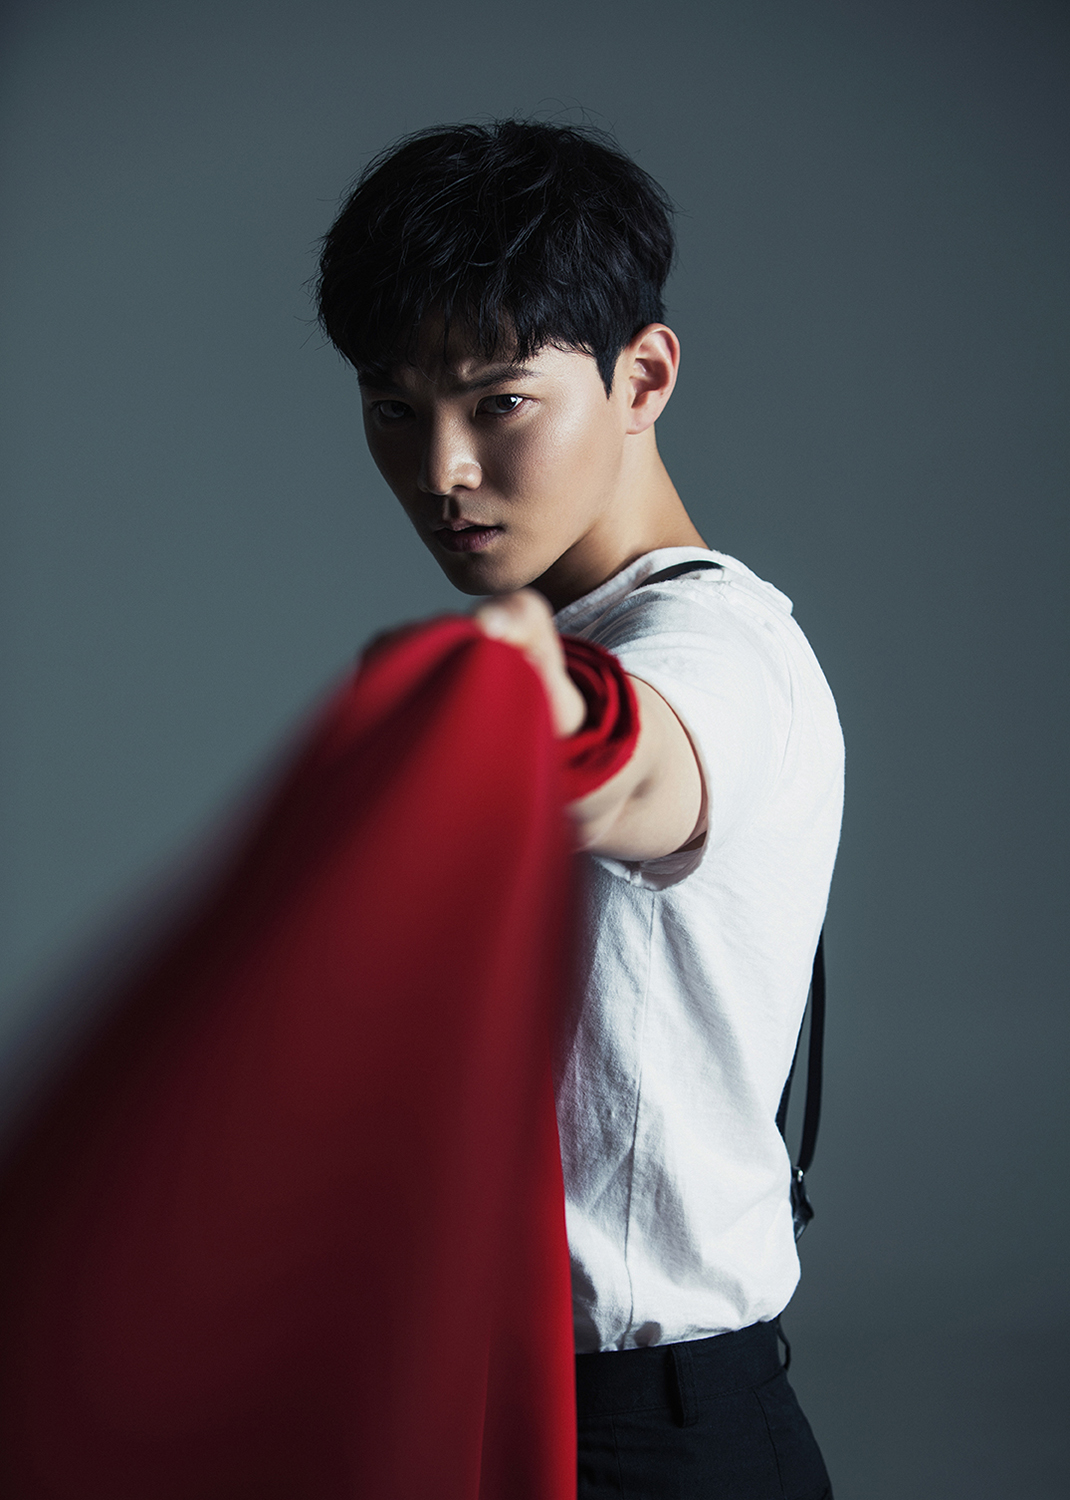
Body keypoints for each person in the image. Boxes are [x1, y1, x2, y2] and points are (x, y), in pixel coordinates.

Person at [316, 119, 843, 1499]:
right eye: (394, 408)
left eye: (497, 403)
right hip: (478, 1408)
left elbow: (638, 764)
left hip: (642, 1438)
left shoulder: (715, 652)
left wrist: (511, 709)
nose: (441, 468)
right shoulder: (573, 633)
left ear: (642, 377)